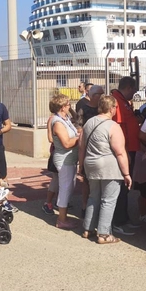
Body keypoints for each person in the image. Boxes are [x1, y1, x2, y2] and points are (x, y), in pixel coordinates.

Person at [79, 95, 131, 244]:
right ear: (112, 108)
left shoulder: (89, 123)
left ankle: (88, 228)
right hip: (109, 166)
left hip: (90, 164)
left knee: (93, 197)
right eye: (115, 107)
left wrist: (81, 166)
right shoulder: (113, 126)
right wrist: (126, 173)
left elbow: (81, 147)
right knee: (108, 200)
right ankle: (104, 234)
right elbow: (120, 152)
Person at [110, 77, 141, 236]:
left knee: (125, 187)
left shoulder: (123, 102)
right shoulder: (117, 102)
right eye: (133, 90)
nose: (134, 93)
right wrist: (124, 151)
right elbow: (120, 129)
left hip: (130, 149)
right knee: (121, 186)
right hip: (125, 151)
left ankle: (123, 217)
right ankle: (117, 220)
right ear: (128, 87)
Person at [49, 94, 82, 229]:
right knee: (65, 188)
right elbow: (67, 143)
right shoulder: (57, 122)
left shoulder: (65, 119)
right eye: (68, 104)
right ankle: (61, 219)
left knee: (69, 187)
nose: (70, 106)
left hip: (70, 159)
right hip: (64, 160)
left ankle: (64, 217)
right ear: (62, 107)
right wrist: (80, 138)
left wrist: (78, 133)